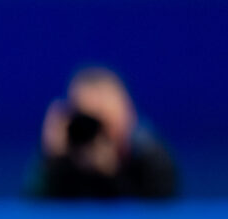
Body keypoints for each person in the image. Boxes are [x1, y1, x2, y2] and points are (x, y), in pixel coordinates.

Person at [28, 66, 178, 199]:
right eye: (88, 119)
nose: (97, 131)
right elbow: (32, 214)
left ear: (128, 113)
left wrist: (111, 173)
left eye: (104, 117)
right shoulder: (63, 158)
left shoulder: (149, 156)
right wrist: (51, 160)